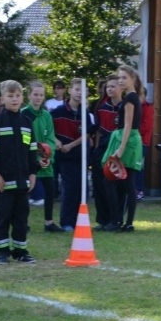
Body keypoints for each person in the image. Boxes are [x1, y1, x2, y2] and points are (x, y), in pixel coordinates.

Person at [0, 80, 40, 264]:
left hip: (22, 180)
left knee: (21, 217)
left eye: (17, 96)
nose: (14, 99)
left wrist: (33, 173)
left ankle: (21, 251)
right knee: (3, 216)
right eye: (10, 96)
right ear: (2, 99)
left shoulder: (27, 122)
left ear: (22, 98)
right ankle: (1, 251)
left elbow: (31, 150)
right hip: (3, 181)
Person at [101, 64, 144, 232]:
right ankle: (127, 222)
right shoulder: (133, 97)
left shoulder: (130, 99)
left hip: (127, 141)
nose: (120, 80)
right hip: (132, 140)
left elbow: (127, 125)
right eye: (119, 77)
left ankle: (116, 221)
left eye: (124, 77)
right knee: (128, 184)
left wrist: (121, 148)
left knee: (111, 180)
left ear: (132, 79)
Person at [51, 78, 97, 231]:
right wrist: (57, 142)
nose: (80, 93)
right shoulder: (57, 112)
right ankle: (67, 222)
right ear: (70, 90)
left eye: (83, 90)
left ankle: (80, 220)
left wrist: (70, 146)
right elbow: (49, 131)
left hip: (81, 156)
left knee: (82, 190)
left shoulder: (85, 113)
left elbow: (87, 135)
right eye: (77, 89)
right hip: (64, 158)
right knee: (69, 189)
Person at [22, 80, 62, 233]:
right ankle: (23, 222)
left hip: (46, 159)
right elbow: (23, 139)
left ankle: (49, 223)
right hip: (28, 159)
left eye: (41, 95)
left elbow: (51, 138)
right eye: (35, 94)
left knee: (50, 189)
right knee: (26, 190)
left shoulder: (47, 115)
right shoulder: (23, 114)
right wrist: (34, 158)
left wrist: (48, 157)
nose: (38, 97)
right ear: (29, 95)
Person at [93, 74, 123, 230]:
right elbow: (98, 130)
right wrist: (97, 149)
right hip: (102, 149)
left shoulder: (126, 107)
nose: (110, 89)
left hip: (118, 151)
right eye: (108, 87)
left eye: (113, 86)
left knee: (116, 186)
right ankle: (102, 220)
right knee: (99, 185)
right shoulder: (102, 107)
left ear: (121, 88)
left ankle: (116, 220)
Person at [136, 86, 155, 201]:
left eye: (140, 94)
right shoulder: (132, 106)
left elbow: (146, 126)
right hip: (133, 140)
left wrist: (132, 134)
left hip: (142, 142)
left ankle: (139, 190)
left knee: (138, 165)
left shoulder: (147, 108)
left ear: (144, 96)